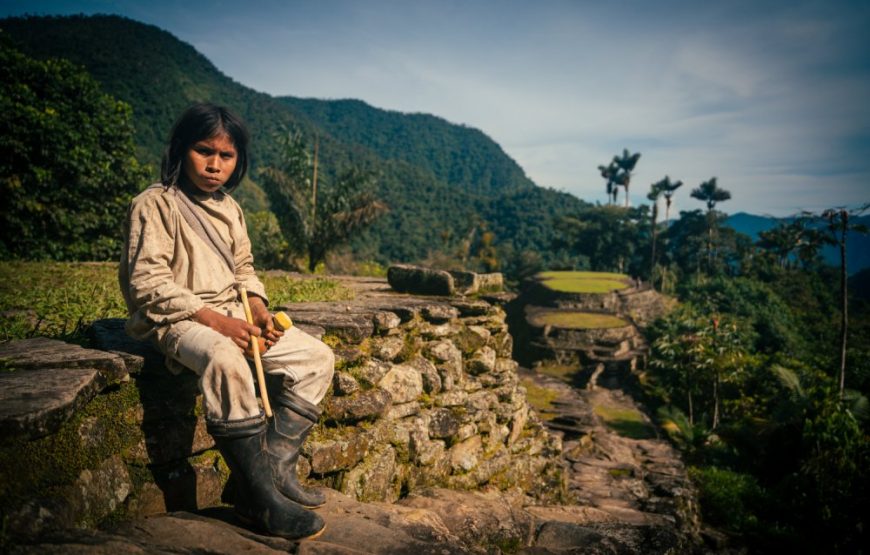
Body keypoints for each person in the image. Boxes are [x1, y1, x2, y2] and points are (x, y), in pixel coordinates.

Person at [119, 102, 333, 540]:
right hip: (178, 318)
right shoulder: (154, 204)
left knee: (317, 358)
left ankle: (271, 474)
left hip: (234, 315)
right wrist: (218, 324)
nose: (215, 165)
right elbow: (147, 283)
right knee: (226, 360)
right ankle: (258, 503)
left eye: (226, 156)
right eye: (204, 151)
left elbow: (244, 267)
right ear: (182, 149)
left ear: (238, 161)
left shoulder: (230, 208)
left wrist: (257, 308)